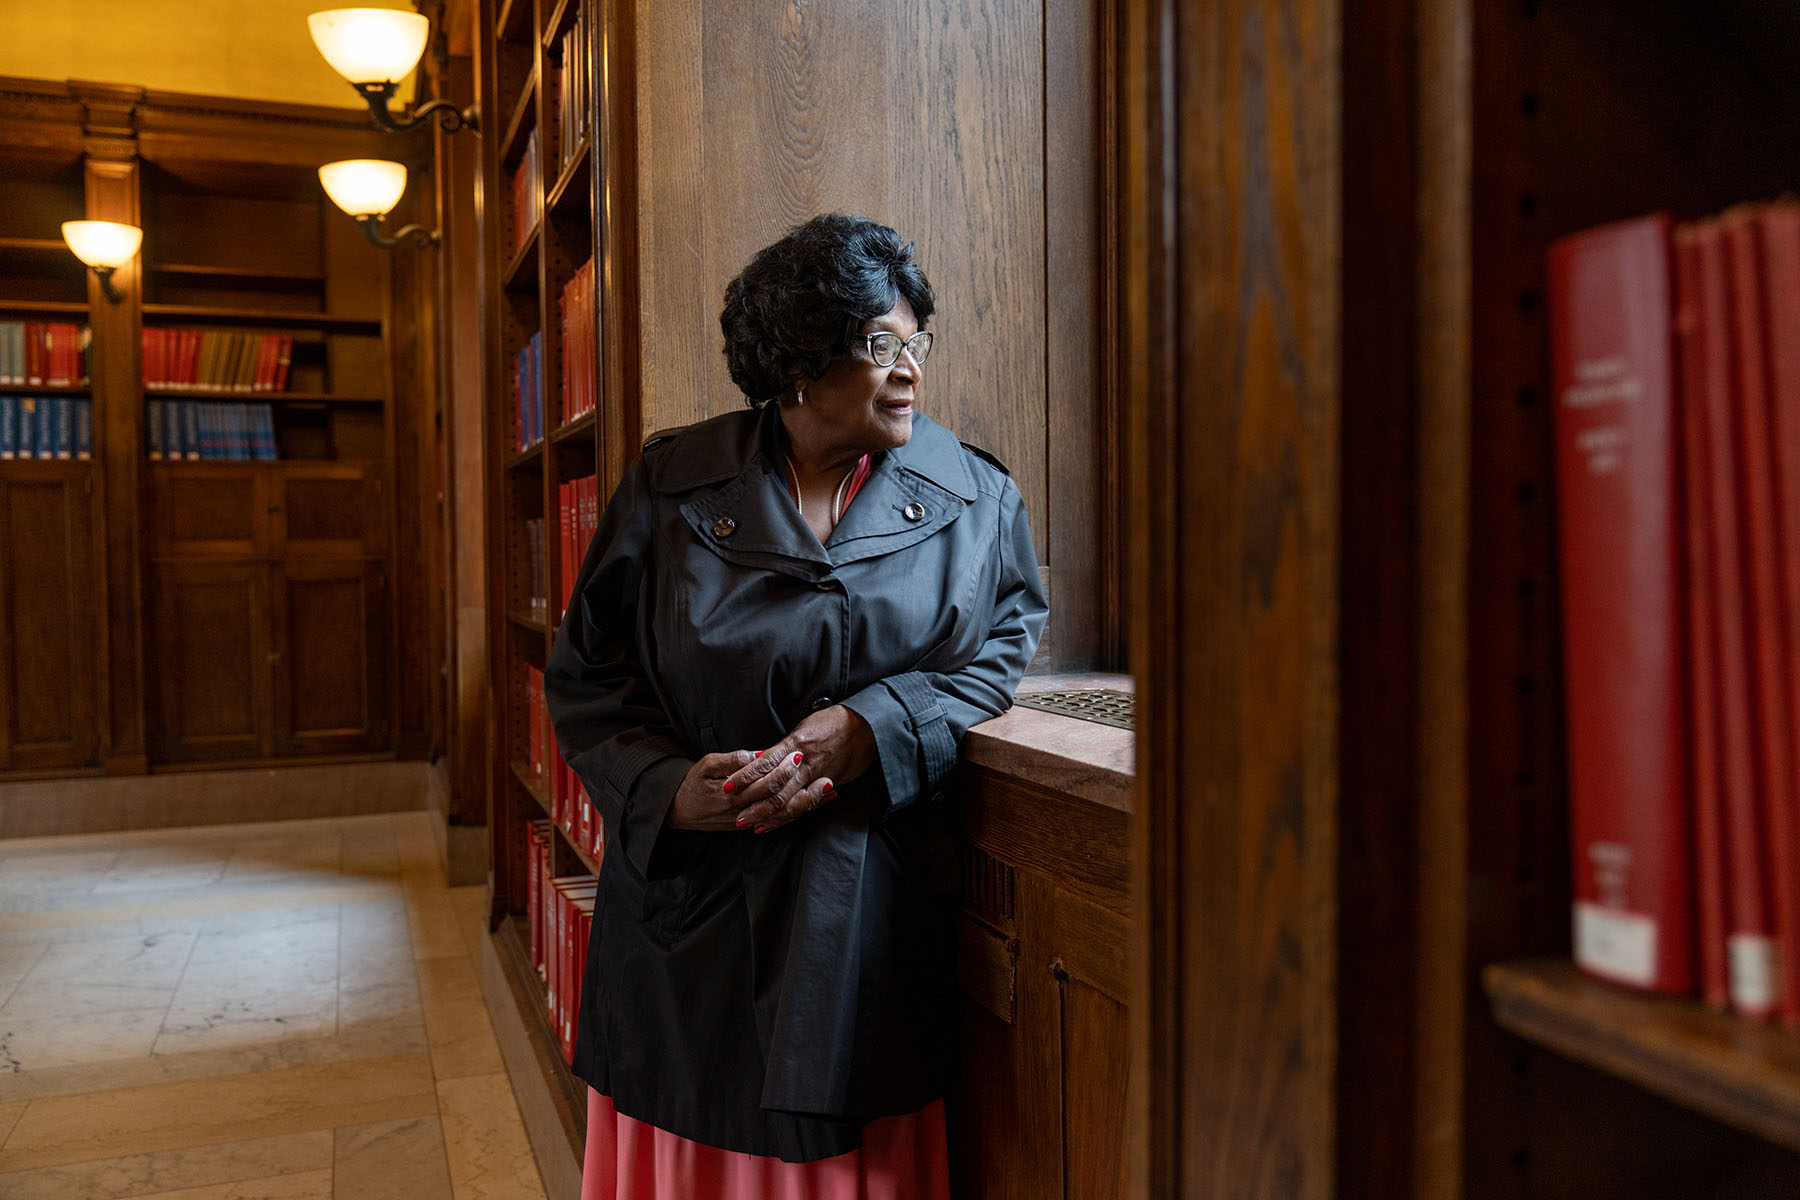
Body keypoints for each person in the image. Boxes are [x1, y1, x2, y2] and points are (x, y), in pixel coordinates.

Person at [545, 212, 1048, 1198]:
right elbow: (587, 679)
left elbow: (997, 662)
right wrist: (664, 790)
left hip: (868, 915)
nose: (909, 370)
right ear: (800, 366)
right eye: (879, 345)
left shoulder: (979, 499)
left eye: (916, 344)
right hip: (694, 921)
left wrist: (877, 729)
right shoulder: (667, 484)